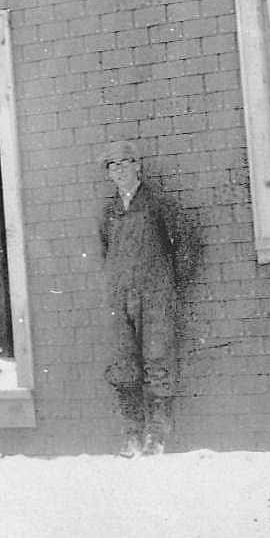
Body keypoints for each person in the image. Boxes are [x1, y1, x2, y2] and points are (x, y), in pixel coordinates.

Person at [99, 142, 178, 456]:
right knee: (123, 364)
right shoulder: (109, 211)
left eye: (123, 163)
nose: (118, 171)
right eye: (112, 166)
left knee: (158, 360)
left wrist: (166, 284)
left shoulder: (157, 203)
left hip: (156, 295)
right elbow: (106, 250)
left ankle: (157, 436)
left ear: (138, 166)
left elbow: (183, 246)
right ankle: (131, 433)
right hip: (121, 297)